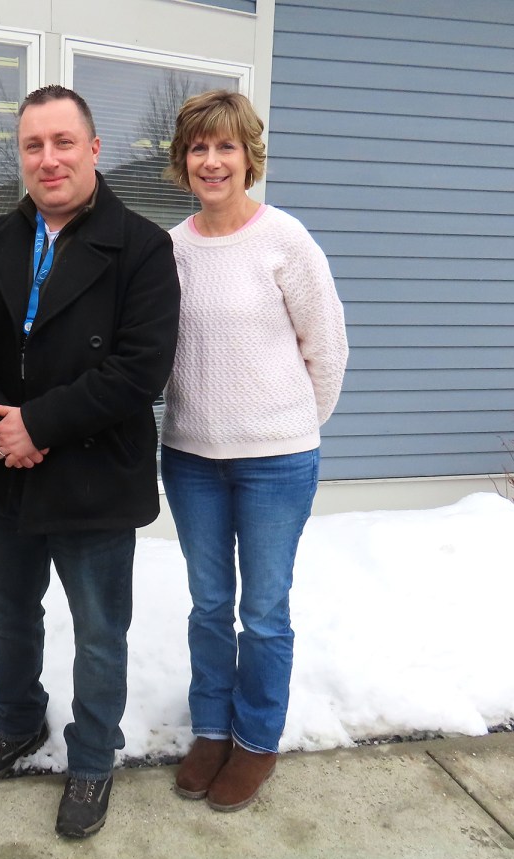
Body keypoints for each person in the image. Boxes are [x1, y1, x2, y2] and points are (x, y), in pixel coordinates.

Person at [0, 85, 180, 838]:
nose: (48, 160)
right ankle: (18, 722)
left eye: (62, 143)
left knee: (98, 629)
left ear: (93, 150)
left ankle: (91, 760)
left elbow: (138, 370)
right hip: (5, 468)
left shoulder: (144, 247)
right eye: (33, 146)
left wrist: (39, 424)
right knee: (9, 612)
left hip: (93, 471)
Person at [160, 90, 348, 812]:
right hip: (191, 458)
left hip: (277, 461)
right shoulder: (171, 249)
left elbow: (326, 349)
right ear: (185, 162)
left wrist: (290, 425)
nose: (213, 161)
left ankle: (256, 741)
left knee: (264, 609)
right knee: (210, 605)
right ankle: (212, 729)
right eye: (200, 149)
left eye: (226, 148)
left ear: (248, 158)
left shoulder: (285, 241)